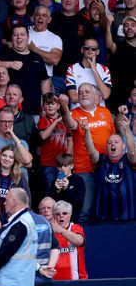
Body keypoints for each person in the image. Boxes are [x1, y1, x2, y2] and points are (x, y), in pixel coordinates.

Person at [60, 83, 115, 223]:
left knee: (107, 209)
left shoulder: (106, 112)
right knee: (85, 210)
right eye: (80, 92)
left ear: (96, 95)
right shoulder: (75, 113)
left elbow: (113, 137)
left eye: (87, 91)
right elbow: (71, 124)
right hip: (84, 169)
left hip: (107, 168)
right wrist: (65, 107)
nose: (83, 94)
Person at [0, 24, 52, 115]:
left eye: (22, 34)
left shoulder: (37, 57)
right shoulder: (6, 55)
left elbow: (44, 81)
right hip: (11, 111)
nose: (19, 37)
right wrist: (9, 64)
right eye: (15, 35)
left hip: (34, 111)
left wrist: (46, 104)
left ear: (28, 37)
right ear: (11, 38)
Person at [83, 114, 136, 221]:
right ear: (106, 147)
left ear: (123, 146)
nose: (113, 144)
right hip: (104, 217)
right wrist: (87, 131)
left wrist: (127, 130)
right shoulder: (102, 160)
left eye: (116, 142)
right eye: (109, 143)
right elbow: (91, 152)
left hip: (127, 216)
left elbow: (132, 151)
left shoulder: (128, 160)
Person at [65, 38, 112, 107]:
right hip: (78, 113)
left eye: (93, 49)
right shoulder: (72, 69)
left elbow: (105, 95)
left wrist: (95, 71)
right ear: (82, 50)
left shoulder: (105, 69)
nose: (90, 50)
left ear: (97, 51)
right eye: (87, 48)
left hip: (99, 113)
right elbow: (73, 97)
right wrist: (96, 97)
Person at [38, 93, 72, 189]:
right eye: (47, 103)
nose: (50, 106)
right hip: (48, 164)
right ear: (44, 107)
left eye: (52, 103)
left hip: (62, 165)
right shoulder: (43, 121)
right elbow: (44, 136)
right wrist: (56, 121)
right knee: (51, 190)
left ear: (58, 106)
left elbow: (70, 139)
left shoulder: (65, 121)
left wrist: (68, 159)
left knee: (62, 189)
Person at [51, 200, 88, 281]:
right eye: (57, 214)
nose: (61, 216)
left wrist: (61, 231)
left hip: (77, 280)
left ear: (70, 215)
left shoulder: (75, 228)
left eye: (64, 213)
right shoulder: (50, 231)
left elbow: (79, 241)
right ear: (53, 216)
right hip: (54, 281)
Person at [0, 145, 31, 224]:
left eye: (11, 157)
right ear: (0, 157)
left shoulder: (20, 178)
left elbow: (27, 201)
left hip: (12, 221)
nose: (7, 159)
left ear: (14, 160)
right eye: (4, 155)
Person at [47, 153, 85, 223]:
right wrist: (57, 190)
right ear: (57, 167)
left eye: (65, 165)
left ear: (71, 166)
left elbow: (78, 202)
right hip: (56, 219)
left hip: (73, 219)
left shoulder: (78, 180)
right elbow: (51, 202)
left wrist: (66, 189)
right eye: (60, 166)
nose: (62, 168)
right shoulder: (54, 181)